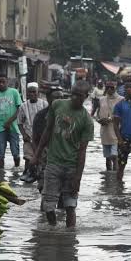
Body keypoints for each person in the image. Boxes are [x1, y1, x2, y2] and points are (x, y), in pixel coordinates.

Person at [31, 81, 93, 228]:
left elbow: (82, 151)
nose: (75, 98)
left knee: (70, 206)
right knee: (48, 205)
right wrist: (37, 155)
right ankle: (53, 232)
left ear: (86, 96)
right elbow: (47, 131)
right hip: (53, 163)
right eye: (73, 94)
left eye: (79, 96)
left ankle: (69, 240)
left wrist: (78, 178)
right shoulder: (57, 105)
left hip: (71, 166)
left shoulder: (87, 120)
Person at [31, 89, 63, 204]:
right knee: (44, 190)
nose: (60, 100)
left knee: (63, 193)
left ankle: (58, 218)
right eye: (57, 98)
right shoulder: (41, 116)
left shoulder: (68, 115)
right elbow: (35, 139)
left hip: (62, 157)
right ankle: (43, 219)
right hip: (45, 156)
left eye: (62, 97)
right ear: (49, 99)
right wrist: (37, 157)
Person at [0, 74, 23, 169]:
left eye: (3, 82)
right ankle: (1, 175)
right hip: (0, 127)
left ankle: (16, 170)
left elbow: (19, 109)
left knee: (15, 153)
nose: (1, 84)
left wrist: (9, 121)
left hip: (13, 127)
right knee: (0, 155)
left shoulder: (14, 92)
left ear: (7, 82)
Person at [17, 82, 48, 182]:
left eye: (34, 92)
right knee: (28, 157)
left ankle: (40, 175)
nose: (32, 94)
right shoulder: (23, 106)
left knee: (42, 157)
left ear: (38, 93)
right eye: (30, 92)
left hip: (42, 136)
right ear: (27, 93)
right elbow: (19, 122)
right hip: (29, 136)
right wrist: (24, 134)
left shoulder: (44, 104)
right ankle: (29, 173)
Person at [95, 80, 123, 171]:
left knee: (114, 156)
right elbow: (97, 113)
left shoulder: (121, 99)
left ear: (115, 88)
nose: (110, 90)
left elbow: (122, 115)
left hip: (116, 131)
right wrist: (99, 120)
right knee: (107, 158)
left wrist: (110, 119)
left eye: (112, 88)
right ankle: (108, 179)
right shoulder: (102, 99)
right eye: (108, 88)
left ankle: (115, 178)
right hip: (104, 131)